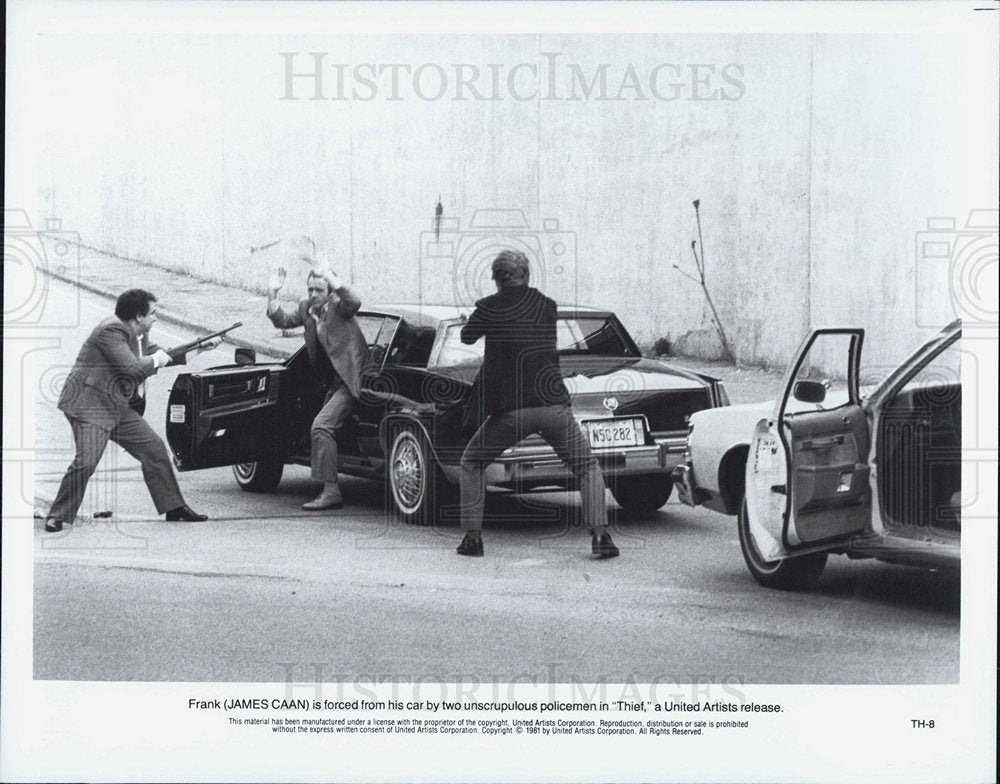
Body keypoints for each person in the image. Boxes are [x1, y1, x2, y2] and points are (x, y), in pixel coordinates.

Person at [456, 249, 619, 558]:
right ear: (527, 275)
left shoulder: (489, 306)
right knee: (586, 466)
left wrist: (472, 319)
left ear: (497, 280)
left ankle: (472, 540)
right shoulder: (547, 306)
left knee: (471, 462)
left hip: (512, 411)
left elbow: (467, 337)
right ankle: (601, 536)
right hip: (553, 405)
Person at [45, 289, 213, 532]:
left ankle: (174, 507)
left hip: (115, 405)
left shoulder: (139, 333)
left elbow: (162, 354)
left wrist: (200, 346)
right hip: (90, 405)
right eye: (153, 313)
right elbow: (132, 368)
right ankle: (57, 515)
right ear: (138, 316)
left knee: (154, 449)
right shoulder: (111, 331)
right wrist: (158, 359)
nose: (156, 318)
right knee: (87, 462)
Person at [266, 262, 369, 510]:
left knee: (321, 427)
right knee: (320, 428)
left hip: (353, 378)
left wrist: (335, 282)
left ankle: (331, 490)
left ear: (330, 292)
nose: (312, 294)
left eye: (319, 290)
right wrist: (273, 293)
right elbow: (282, 321)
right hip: (332, 382)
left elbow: (354, 301)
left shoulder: (339, 306)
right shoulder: (305, 307)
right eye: (310, 289)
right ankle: (326, 483)